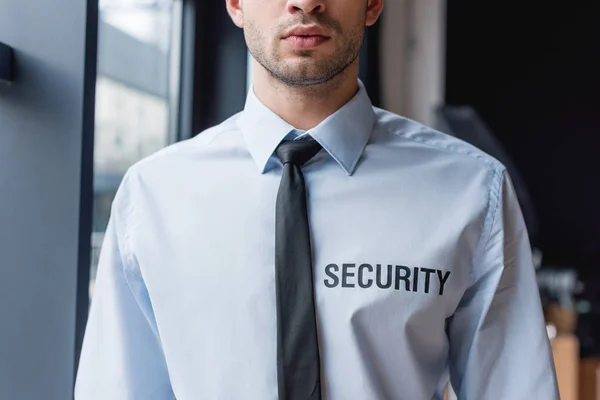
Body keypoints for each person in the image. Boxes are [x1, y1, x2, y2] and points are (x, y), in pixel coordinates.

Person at [75, 0, 560, 399]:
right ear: (235, 4)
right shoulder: (153, 196)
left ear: (373, 4)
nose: (305, 3)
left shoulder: (473, 190)